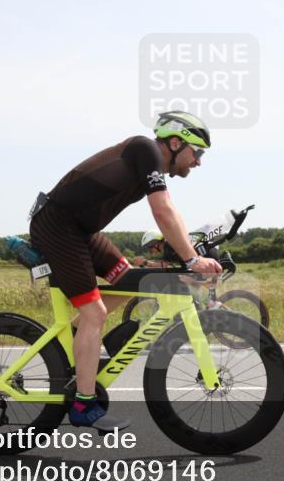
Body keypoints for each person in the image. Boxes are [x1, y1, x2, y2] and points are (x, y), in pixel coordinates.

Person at [28, 111, 222, 431]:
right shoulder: (144, 149)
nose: (198, 161)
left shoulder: (148, 160)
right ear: (174, 143)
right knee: (95, 313)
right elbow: (162, 209)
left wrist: (190, 250)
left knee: (128, 278)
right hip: (59, 227)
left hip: (80, 230)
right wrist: (191, 260)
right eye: (196, 152)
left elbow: (168, 211)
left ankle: (76, 346)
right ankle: (83, 405)